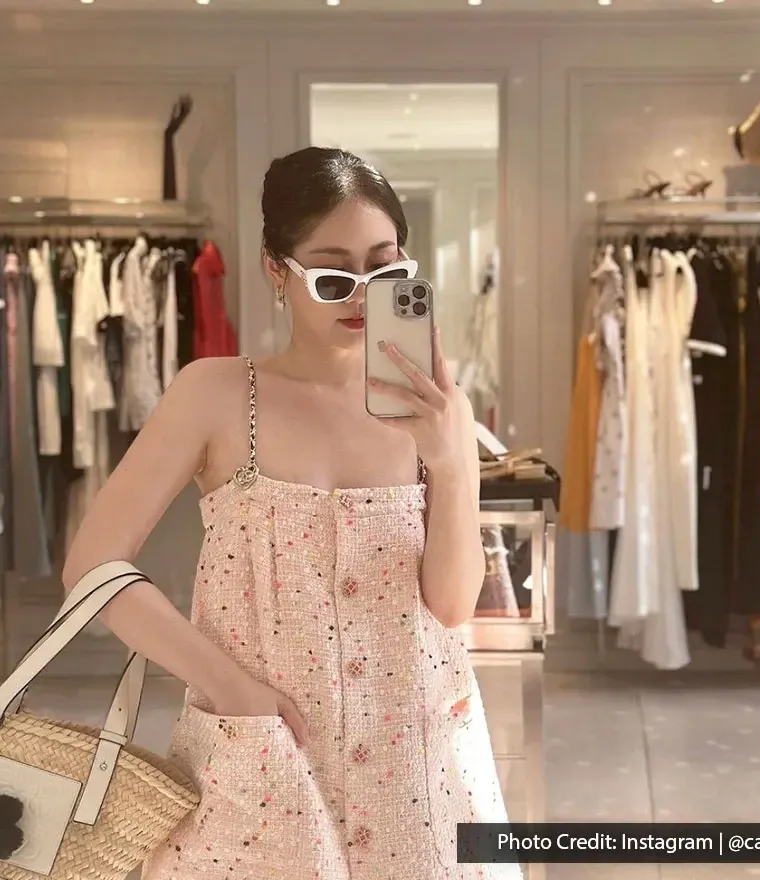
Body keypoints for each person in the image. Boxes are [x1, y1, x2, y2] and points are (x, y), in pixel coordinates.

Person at [62, 147, 520, 879]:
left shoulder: (438, 404)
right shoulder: (215, 394)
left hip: (415, 755)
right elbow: (90, 567)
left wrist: (453, 459)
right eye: (335, 274)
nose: (363, 294)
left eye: (386, 267)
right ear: (277, 271)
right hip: (262, 758)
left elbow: (453, 602)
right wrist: (230, 687)